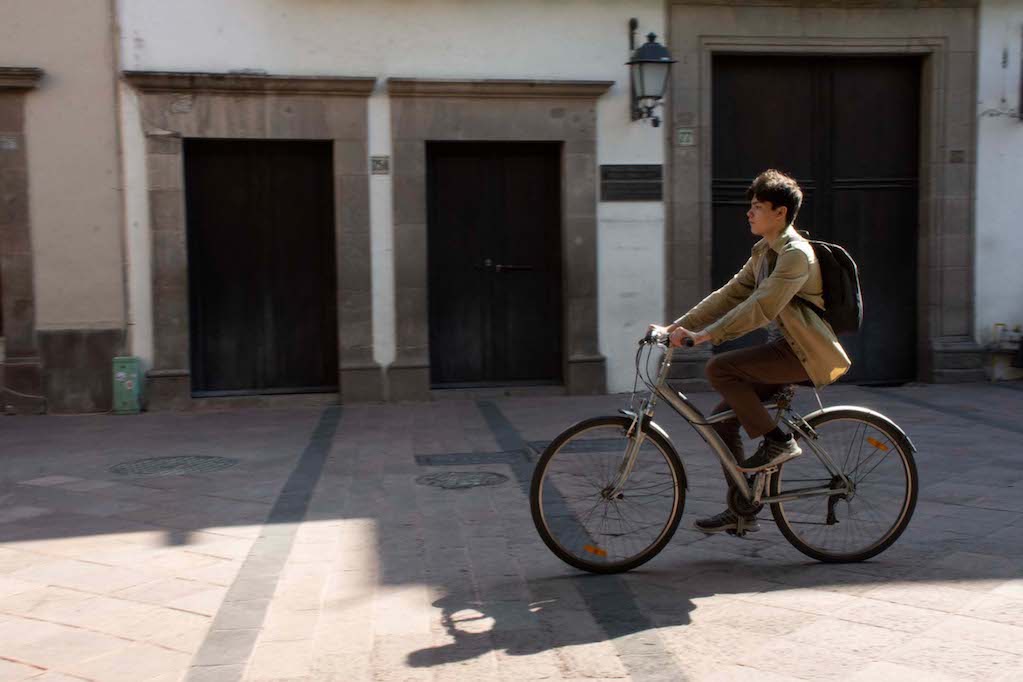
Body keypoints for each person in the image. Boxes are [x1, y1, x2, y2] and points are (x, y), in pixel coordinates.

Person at [648, 169, 851, 534]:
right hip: (784, 349)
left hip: (803, 354)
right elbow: (729, 295)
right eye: (751, 206)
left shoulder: (795, 255)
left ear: (780, 213)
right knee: (722, 422)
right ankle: (744, 507)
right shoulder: (763, 252)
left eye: (757, 207)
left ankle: (779, 441)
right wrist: (676, 327)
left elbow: (762, 306)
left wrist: (707, 336)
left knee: (720, 370)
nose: (749, 213)